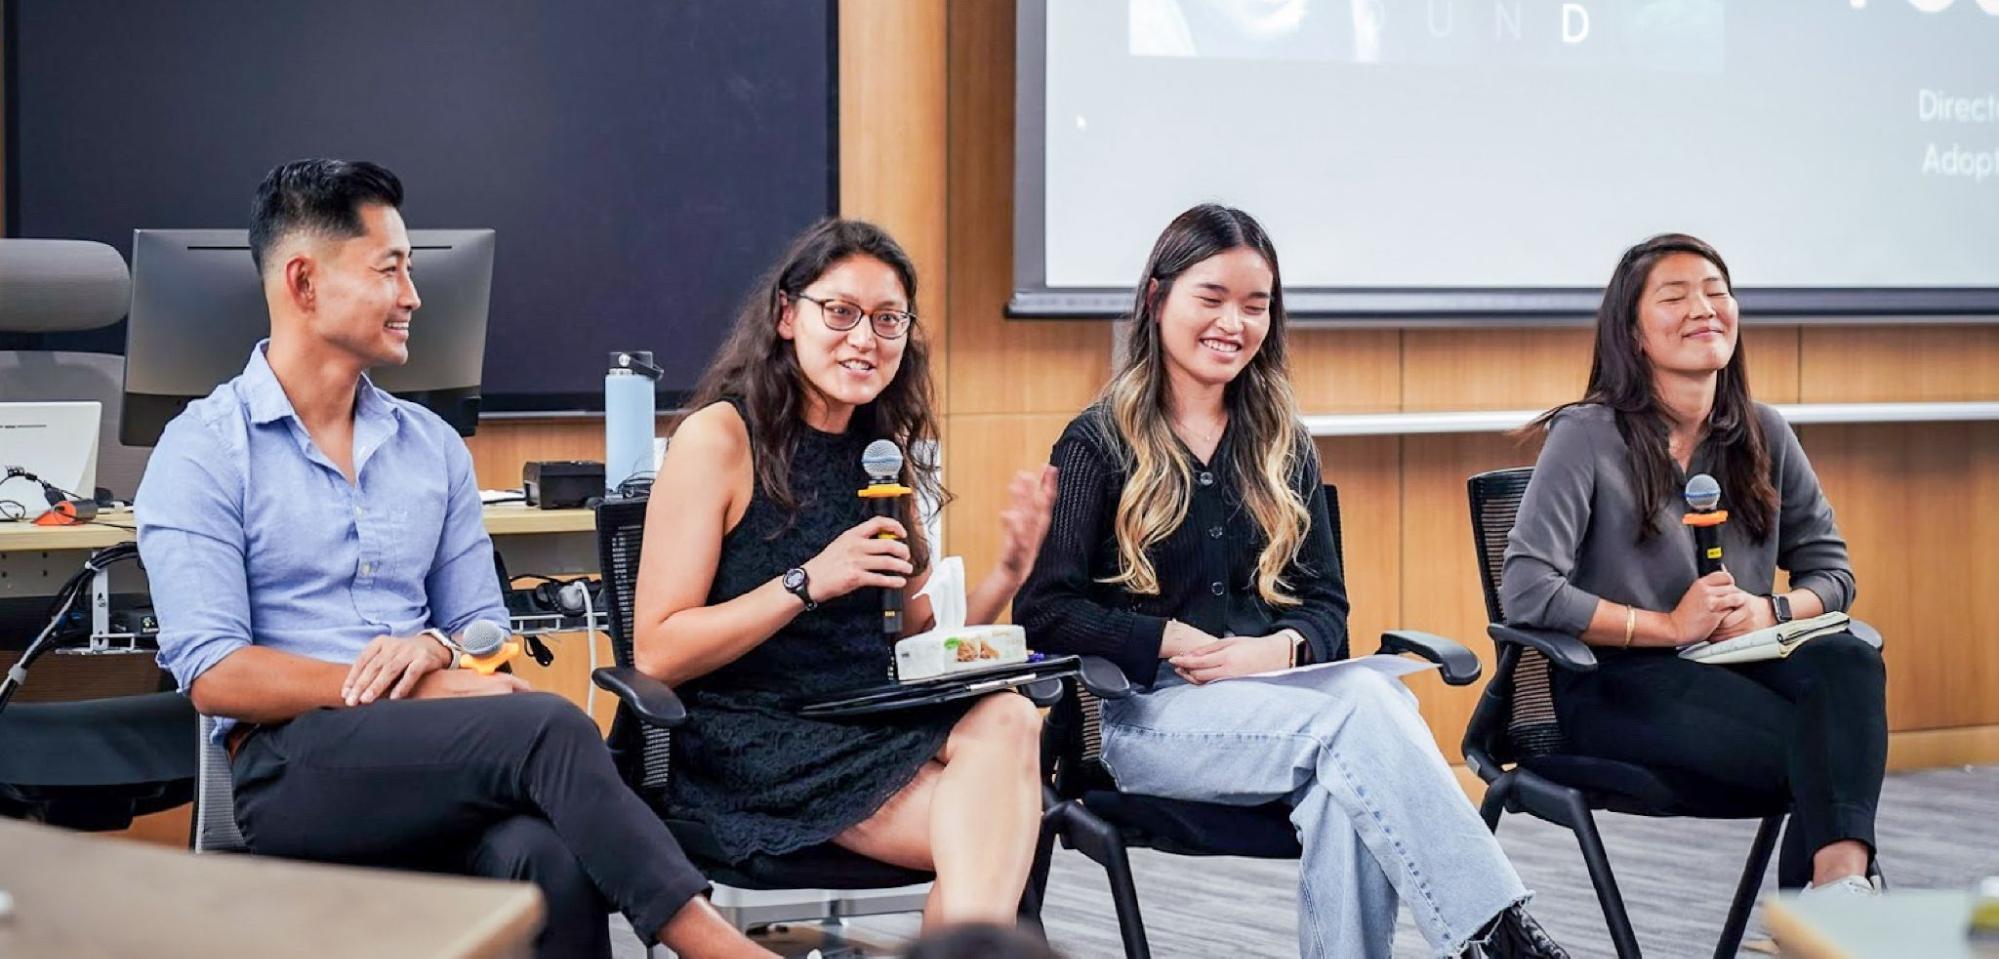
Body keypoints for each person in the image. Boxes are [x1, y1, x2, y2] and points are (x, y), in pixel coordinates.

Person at [137, 159, 773, 959]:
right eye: (390, 269)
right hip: (292, 767)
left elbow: (484, 625)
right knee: (545, 725)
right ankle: (722, 950)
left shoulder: (428, 447)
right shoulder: (203, 450)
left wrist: (437, 649)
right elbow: (215, 674)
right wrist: (382, 685)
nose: (413, 296)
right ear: (303, 283)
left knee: (546, 860)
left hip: (424, 752)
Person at [1013, 203, 1563, 958]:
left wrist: (1277, 650)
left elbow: (1326, 608)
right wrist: (1163, 635)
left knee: (1349, 776)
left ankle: (1489, 934)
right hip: (1144, 720)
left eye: (1255, 305)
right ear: (1156, 298)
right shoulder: (1096, 441)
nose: (1233, 323)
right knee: (1365, 711)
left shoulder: (1282, 443)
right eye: (1211, 298)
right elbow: (1042, 610)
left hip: (1281, 708)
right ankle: (1494, 932)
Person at [632, 218, 1057, 929]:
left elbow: (921, 640)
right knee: (992, 836)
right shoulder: (720, 438)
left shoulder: (879, 449)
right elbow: (658, 650)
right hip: (755, 738)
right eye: (842, 312)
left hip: (870, 718)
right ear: (786, 315)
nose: (865, 339)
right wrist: (807, 582)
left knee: (1011, 715)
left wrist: (1008, 571)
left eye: (889, 320)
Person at [1501, 232, 1886, 897]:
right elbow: (1526, 590)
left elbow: (1832, 573)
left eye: (1716, 292)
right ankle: (1832, 910)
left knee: (1848, 659)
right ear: (1633, 333)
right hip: (1614, 682)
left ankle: (1836, 891)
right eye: (1675, 297)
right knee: (1829, 752)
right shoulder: (1585, 435)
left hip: (1738, 669)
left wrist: (1769, 610)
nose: (1703, 308)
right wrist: (1668, 625)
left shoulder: (1764, 432)